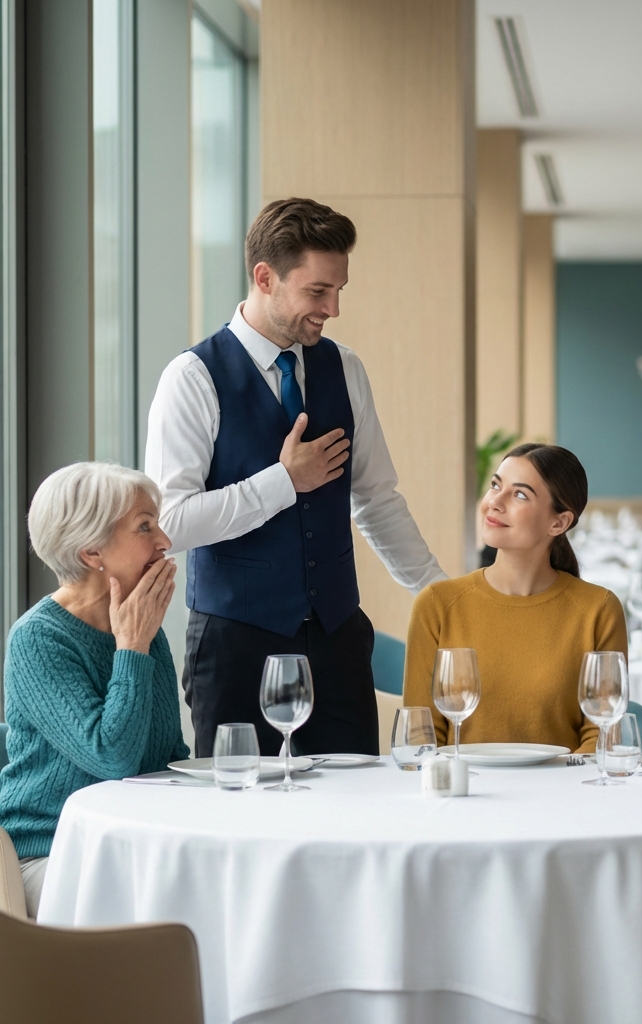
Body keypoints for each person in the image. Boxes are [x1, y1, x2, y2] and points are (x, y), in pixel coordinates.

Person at [146, 198, 446, 758]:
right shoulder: (191, 378)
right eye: (317, 291)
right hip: (235, 646)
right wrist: (283, 481)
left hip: (337, 639)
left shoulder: (345, 368)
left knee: (353, 817)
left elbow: (377, 500)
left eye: (339, 290)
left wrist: (438, 594)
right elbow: (169, 521)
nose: (332, 307)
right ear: (265, 277)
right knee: (241, 822)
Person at [0, 463, 188, 918]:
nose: (164, 541)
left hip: (137, 846)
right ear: (90, 553)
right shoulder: (39, 639)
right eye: (145, 526)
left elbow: (167, 756)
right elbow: (113, 758)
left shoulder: (137, 623)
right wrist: (133, 647)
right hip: (54, 854)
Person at [404, 444, 627, 753]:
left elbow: (601, 736)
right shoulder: (437, 604)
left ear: (558, 523)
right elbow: (421, 736)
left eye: (519, 494)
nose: (494, 501)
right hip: (465, 794)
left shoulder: (598, 610)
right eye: (496, 485)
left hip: (563, 793)